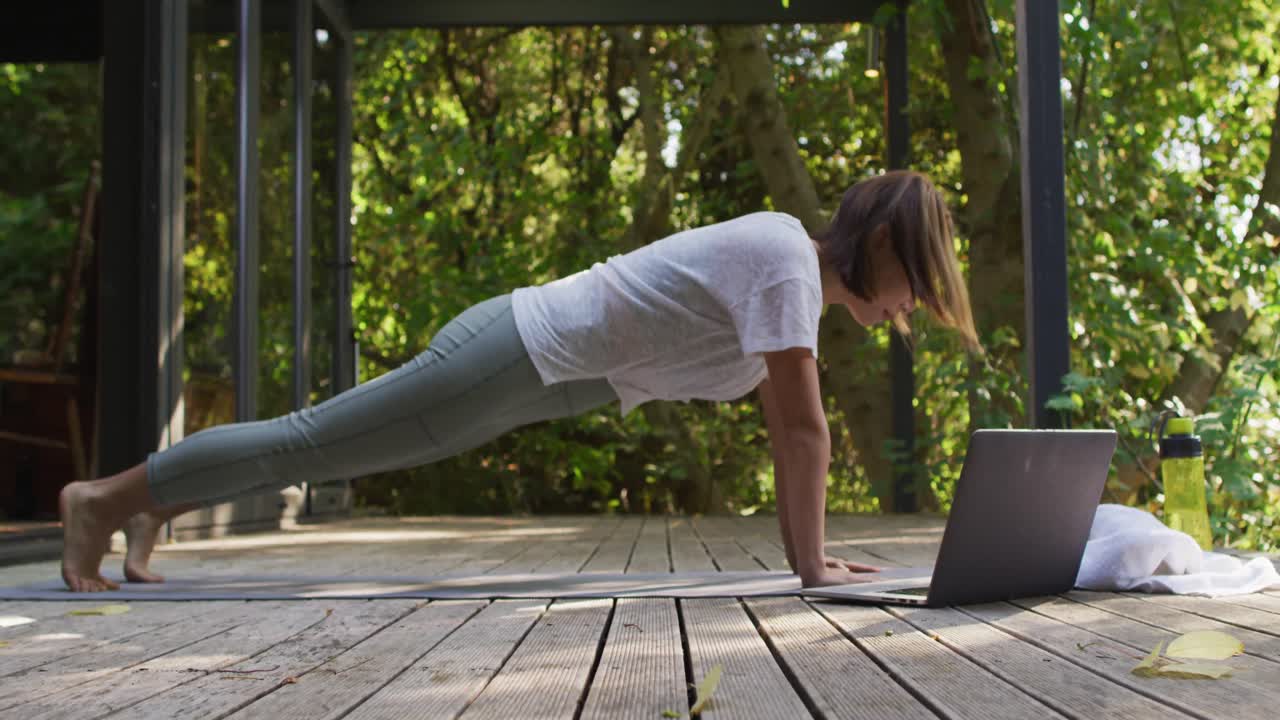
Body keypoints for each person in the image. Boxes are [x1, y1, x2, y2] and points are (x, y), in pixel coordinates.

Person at [59, 169, 979, 592]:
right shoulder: (787, 262)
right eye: (915, 291)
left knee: (325, 444)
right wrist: (813, 565)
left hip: (532, 375)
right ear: (885, 245)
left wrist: (808, 558)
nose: (906, 312)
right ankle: (101, 500)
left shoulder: (792, 282)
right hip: (514, 353)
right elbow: (802, 432)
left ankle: (159, 499)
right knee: (316, 440)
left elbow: (792, 433)